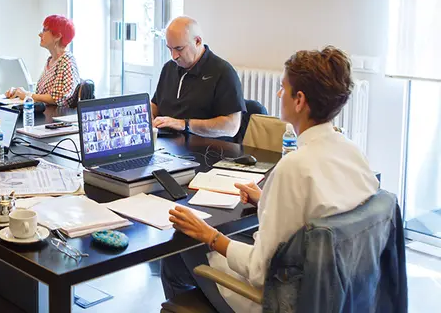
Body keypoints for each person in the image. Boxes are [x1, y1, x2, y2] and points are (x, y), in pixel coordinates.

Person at [161, 46, 379, 313]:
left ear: (299, 100)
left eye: (281, 87)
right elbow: (323, 213)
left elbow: (259, 270)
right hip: (338, 292)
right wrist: (267, 200)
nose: (277, 94)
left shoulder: (293, 168)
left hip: (282, 300)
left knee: (179, 248)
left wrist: (210, 235)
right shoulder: (353, 153)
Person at [151, 17, 245, 139]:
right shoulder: (169, 68)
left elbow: (231, 126)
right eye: (170, 49)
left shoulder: (223, 72)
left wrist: (184, 124)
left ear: (198, 41)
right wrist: (147, 117)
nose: (174, 56)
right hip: (166, 145)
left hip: (204, 150)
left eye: (179, 49)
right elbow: (156, 104)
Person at [5, 15, 80, 107]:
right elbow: (42, 94)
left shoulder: (66, 61)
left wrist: (27, 95)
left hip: (55, 116)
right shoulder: (51, 60)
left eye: (44, 30)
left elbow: (58, 97)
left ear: (57, 36)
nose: (40, 34)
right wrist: (18, 92)